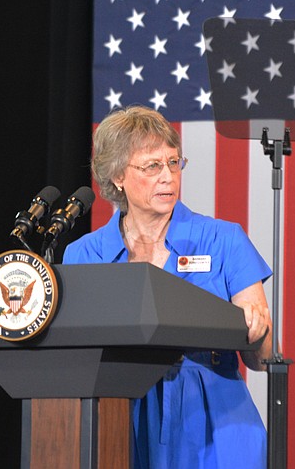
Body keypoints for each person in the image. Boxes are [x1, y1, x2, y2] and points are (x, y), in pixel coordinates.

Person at [62, 105, 273, 469]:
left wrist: (257, 331)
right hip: (120, 414)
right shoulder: (84, 254)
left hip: (214, 417)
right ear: (117, 177)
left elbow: (264, 359)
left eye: (173, 163)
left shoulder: (224, 240)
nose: (168, 177)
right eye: (151, 166)